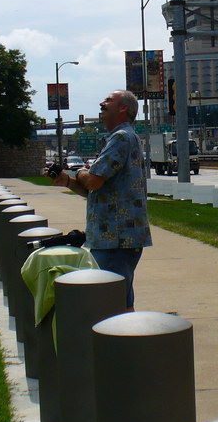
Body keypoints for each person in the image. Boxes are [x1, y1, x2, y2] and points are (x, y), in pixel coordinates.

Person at [48, 90, 151, 311]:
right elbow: (96, 191)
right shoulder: (118, 137)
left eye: (108, 101)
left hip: (117, 238)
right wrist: (67, 181)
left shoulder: (122, 137)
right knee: (119, 299)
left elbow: (93, 181)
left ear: (123, 108)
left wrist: (83, 172)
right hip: (111, 237)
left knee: (109, 300)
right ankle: (124, 342)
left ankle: (121, 343)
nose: (102, 103)